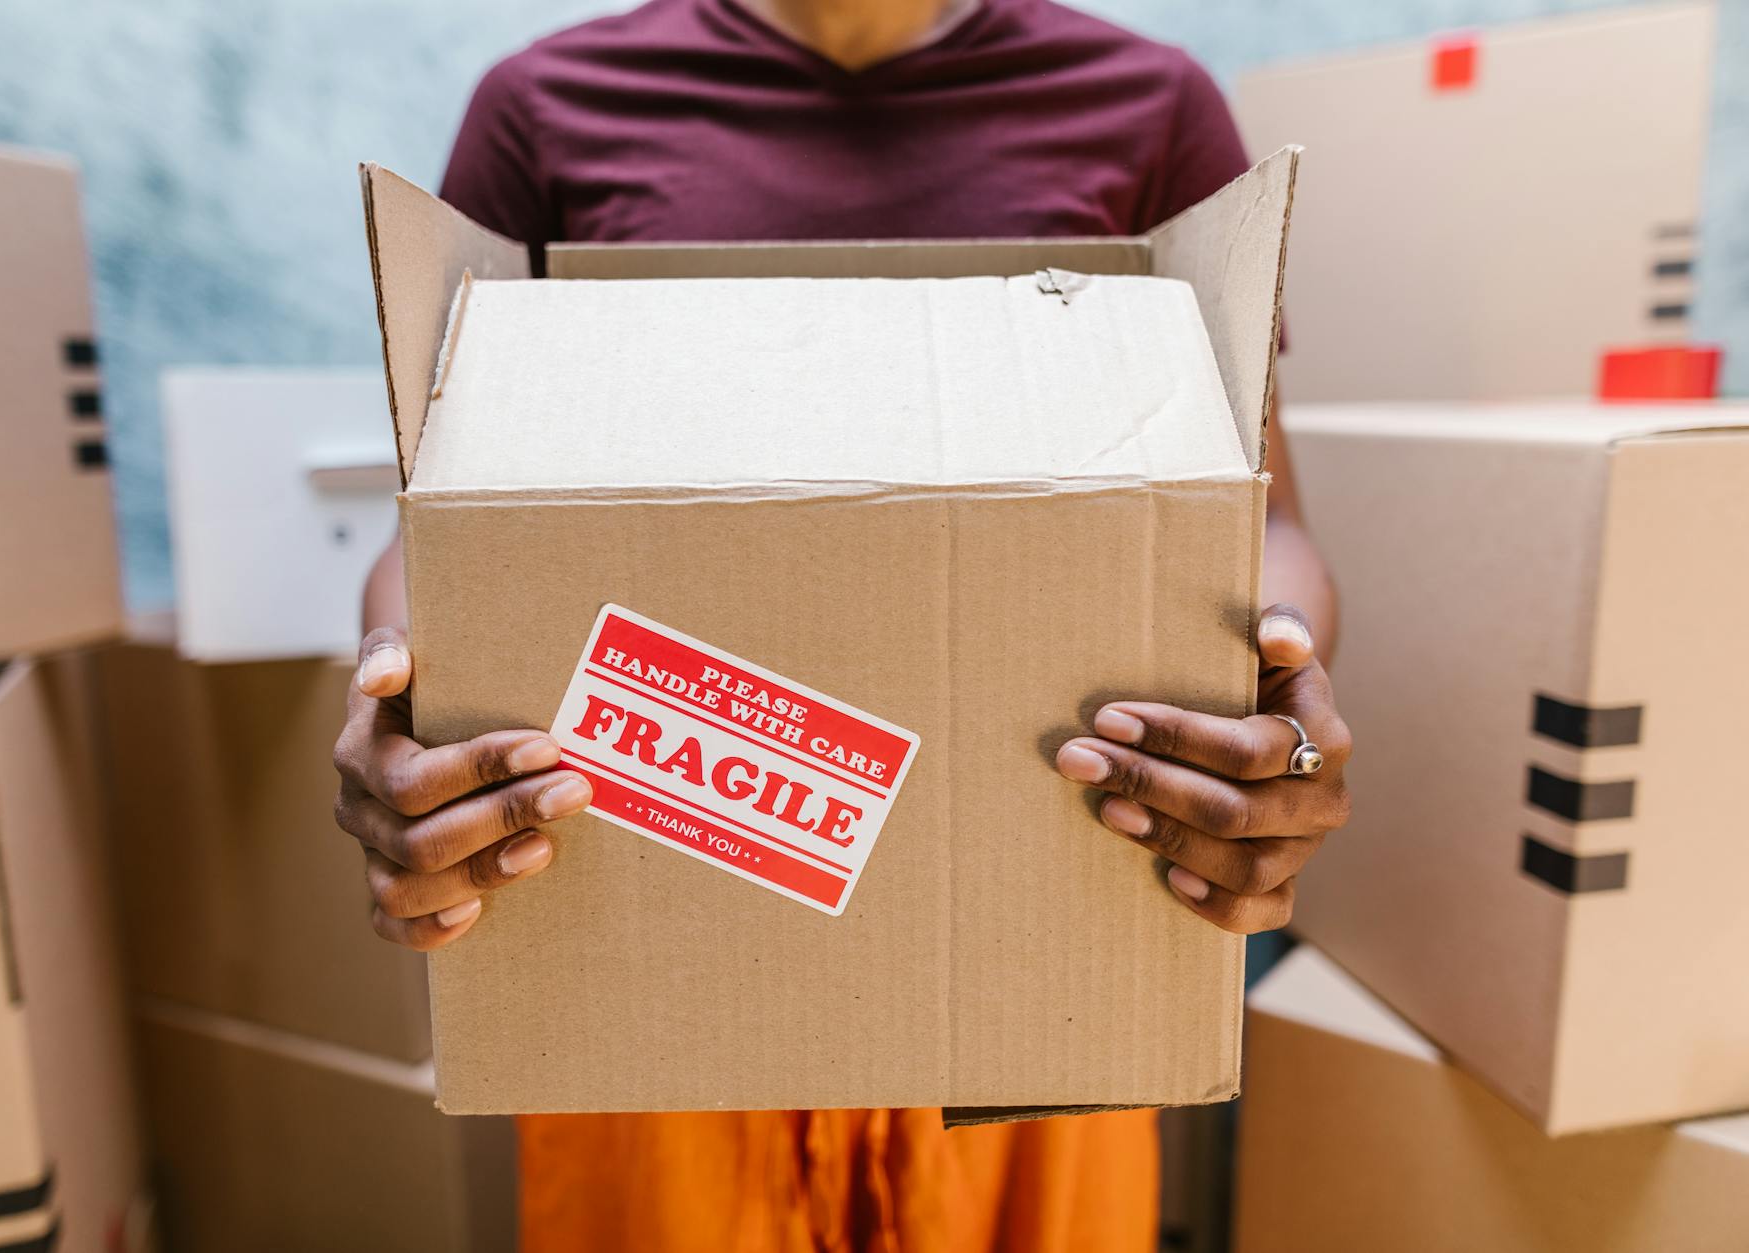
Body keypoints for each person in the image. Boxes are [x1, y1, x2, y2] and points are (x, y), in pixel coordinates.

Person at [331, 1, 1353, 1248]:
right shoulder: (549, 108)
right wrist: (407, 720)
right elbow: (433, 533)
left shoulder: (1145, 108)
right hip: (658, 932)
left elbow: (1267, 518)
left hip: (1038, 947)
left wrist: (1277, 704)